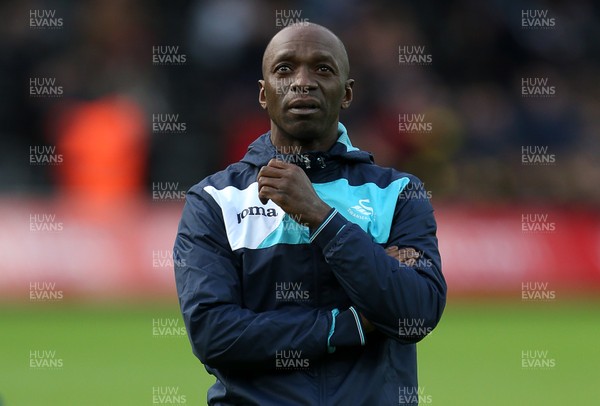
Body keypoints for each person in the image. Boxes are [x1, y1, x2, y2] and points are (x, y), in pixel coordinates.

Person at [174, 22, 446, 405]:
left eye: (323, 68)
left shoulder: (398, 193)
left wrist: (322, 218)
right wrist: (345, 325)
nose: (303, 82)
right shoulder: (215, 200)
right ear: (263, 93)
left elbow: (415, 313)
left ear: (347, 93)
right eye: (284, 69)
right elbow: (213, 335)